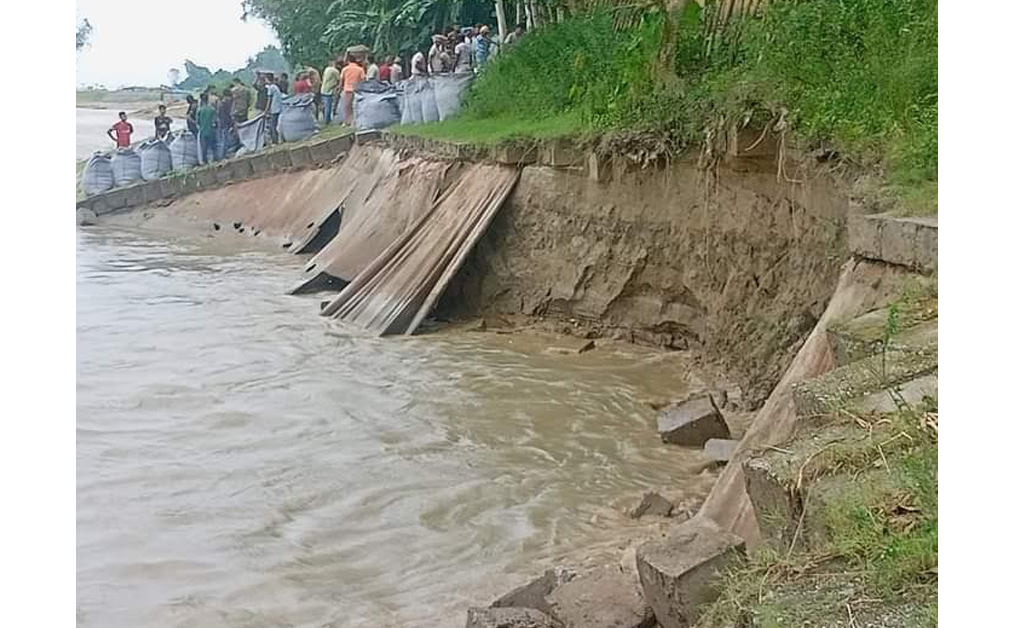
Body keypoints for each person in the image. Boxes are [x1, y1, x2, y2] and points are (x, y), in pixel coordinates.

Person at [339, 55, 365, 125]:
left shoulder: (345, 69)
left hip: (347, 89)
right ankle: (355, 121)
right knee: (356, 107)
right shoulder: (360, 69)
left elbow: (341, 81)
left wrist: (339, 89)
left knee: (347, 107)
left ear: (348, 61)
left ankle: (346, 122)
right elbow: (363, 80)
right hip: (357, 90)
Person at [196, 93, 217, 164]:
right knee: (212, 146)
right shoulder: (212, 109)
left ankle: (204, 161)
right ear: (208, 100)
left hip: (203, 131)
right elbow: (215, 120)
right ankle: (213, 159)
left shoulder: (199, 110)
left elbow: (197, 122)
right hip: (211, 130)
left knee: (204, 147)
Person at [320, 56, 341, 125]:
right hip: (328, 91)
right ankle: (327, 121)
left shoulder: (327, 69)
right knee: (328, 107)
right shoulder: (334, 71)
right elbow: (340, 80)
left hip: (323, 89)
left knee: (326, 106)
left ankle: (326, 120)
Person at [264, 73, 284, 144]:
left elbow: (269, 100)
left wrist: (266, 110)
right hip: (279, 108)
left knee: (273, 126)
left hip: (275, 109)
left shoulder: (271, 88)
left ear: (267, 79)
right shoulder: (275, 86)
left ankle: (275, 141)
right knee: (276, 125)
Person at [215, 88, 234, 160]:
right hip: (224, 123)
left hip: (222, 123)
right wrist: (231, 123)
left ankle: (223, 155)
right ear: (226, 96)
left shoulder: (221, 103)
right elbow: (226, 115)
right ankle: (222, 156)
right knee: (224, 140)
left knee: (224, 140)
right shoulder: (224, 104)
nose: (230, 98)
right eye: (229, 97)